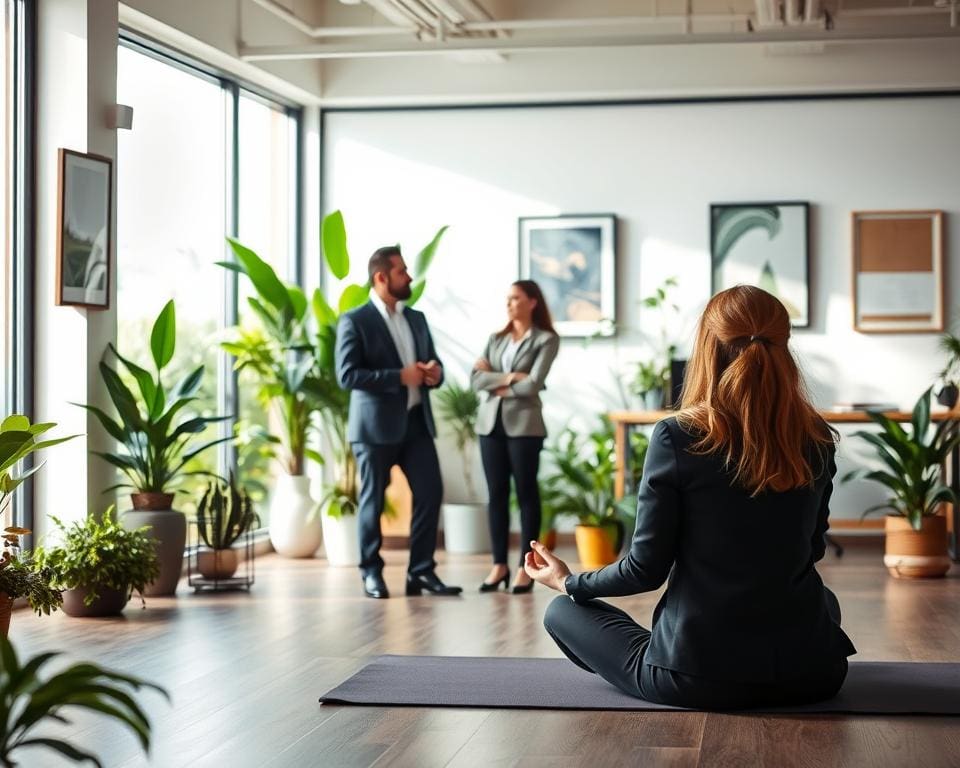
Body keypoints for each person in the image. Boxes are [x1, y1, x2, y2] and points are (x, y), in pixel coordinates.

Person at [523, 285, 856, 709]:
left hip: (697, 678)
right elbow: (811, 550)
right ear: (783, 345)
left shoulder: (678, 436)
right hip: (814, 675)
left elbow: (644, 570)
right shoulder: (816, 438)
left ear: (708, 348)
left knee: (563, 612)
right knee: (823, 601)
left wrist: (568, 582)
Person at [335, 246, 462, 600]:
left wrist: (434, 373)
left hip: (416, 423)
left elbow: (433, 363)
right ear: (381, 277)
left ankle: (421, 572)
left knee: (430, 493)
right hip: (374, 430)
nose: (408, 277)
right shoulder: (355, 320)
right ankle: (371, 573)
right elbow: (347, 375)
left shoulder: (416, 318)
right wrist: (399, 376)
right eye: (402, 271)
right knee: (373, 502)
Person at [471, 280, 560, 594]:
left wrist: (496, 383)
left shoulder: (546, 339)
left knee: (526, 494)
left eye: (515, 298)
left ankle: (527, 569)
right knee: (496, 495)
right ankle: (498, 566)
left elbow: (534, 383)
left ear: (532, 302)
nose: (509, 304)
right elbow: (475, 379)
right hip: (489, 426)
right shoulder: (496, 339)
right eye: (507, 298)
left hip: (525, 427)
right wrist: (510, 378)